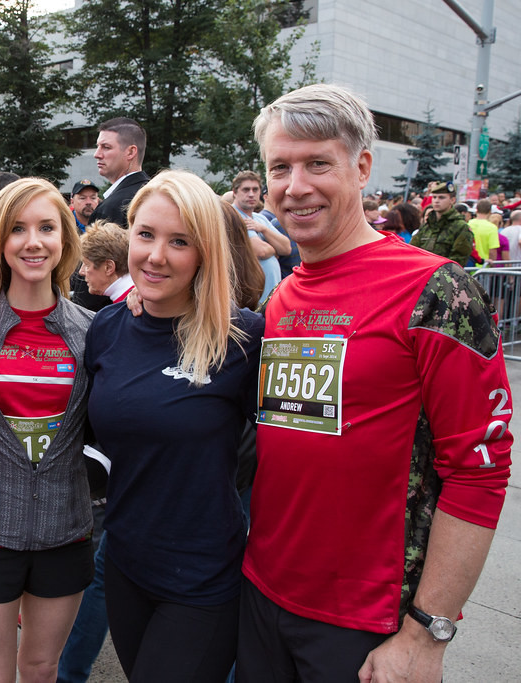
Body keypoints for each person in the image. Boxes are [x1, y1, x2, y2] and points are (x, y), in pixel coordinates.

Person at [239, 83, 512, 682]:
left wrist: (426, 634)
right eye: (280, 167)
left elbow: (480, 471)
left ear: (362, 168)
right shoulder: (282, 298)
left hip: (370, 625)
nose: (295, 186)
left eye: (318, 164)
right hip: (262, 596)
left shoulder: (438, 292)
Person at [85, 170, 263, 681]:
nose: (156, 256)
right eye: (145, 235)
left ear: (205, 252)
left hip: (202, 579)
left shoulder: (241, 337)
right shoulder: (107, 327)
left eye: (179, 241)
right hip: (124, 563)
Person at [0, 177, 95, 683]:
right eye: (17, 229)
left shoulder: (95, 331)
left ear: (65, 239)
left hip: (65, 529)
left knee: (41, 667)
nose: (33, 242)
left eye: (46, 228)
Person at [231, 170, 291, 304]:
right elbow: (261, 251)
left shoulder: (260, 219)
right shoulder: (234, 216)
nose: (251, 194)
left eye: (255, 189)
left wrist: (263, 229)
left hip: (271, 298)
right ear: (235, 192)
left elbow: (286, 248)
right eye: (246, 190)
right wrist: (275, 250)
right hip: (251, 300)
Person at [88, 118, 150, 227]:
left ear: (130, 152)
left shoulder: (112, 208)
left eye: (106, 147)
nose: (96, 154)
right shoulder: (157, 194)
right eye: (97, 146)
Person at [412, 181, 472, 266]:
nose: (436, 201)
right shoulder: (427, 225)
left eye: (441, 197)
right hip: (423, 271)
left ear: (452, 200)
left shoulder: (460, 227)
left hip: (444, 273)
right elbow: (413, 250)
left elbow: (458, 259)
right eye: (434, 197)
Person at [78, 221, 133, 304]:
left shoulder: (132, 305)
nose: (81, 272)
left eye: (87, 265)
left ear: (108, 267)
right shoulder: (134, 299)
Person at [469, 199, 500, 266]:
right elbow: (492, 250)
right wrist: (492, 265)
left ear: (476, 210)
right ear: (490, 211)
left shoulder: (468, 224)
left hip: (469, 264)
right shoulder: (492, 227)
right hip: (484, 266)